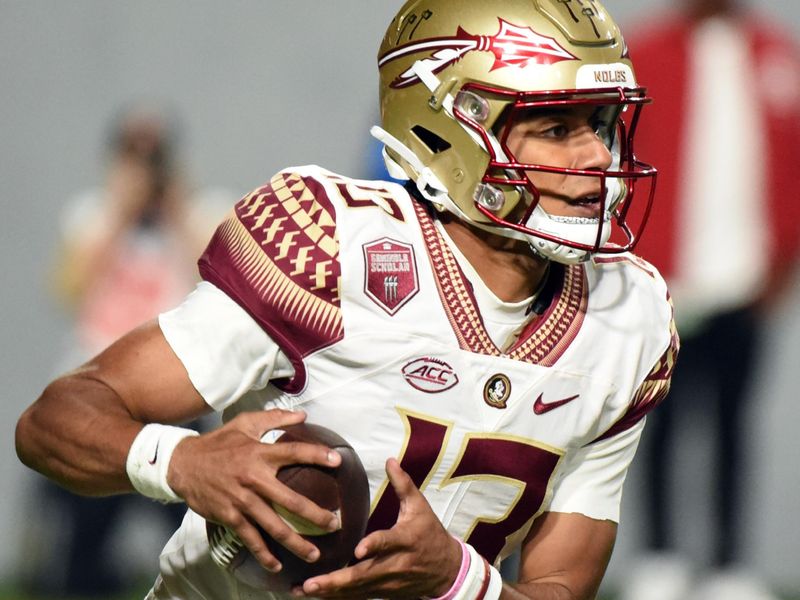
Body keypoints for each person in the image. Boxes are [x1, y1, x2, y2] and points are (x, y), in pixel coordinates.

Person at [15, 1, 677, 598]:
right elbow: (51, 424)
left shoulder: (629, 317)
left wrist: (460, 582)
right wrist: (182, 461)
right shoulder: (330, 245)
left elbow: (560, 585)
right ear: (448, 130)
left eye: (599, 121)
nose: (598, 155)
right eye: (555, 130)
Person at [620, 1, 800, 599]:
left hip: (745, 279)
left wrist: (782, 258)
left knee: (732, 424)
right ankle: (662, 554)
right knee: (658, 420)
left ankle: (729, 563)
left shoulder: (775, 54)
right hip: (667, 279)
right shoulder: (647, 53)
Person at [22, 105, 228, 597]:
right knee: (82, 550)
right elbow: (69, 290)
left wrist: (176, 208)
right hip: (98, 397)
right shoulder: (90, 215)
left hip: (177, 399)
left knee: (202, 547)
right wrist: (119, 213)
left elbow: (221, 284)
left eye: (153, 156)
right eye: (133, 154)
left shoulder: (202, 212)